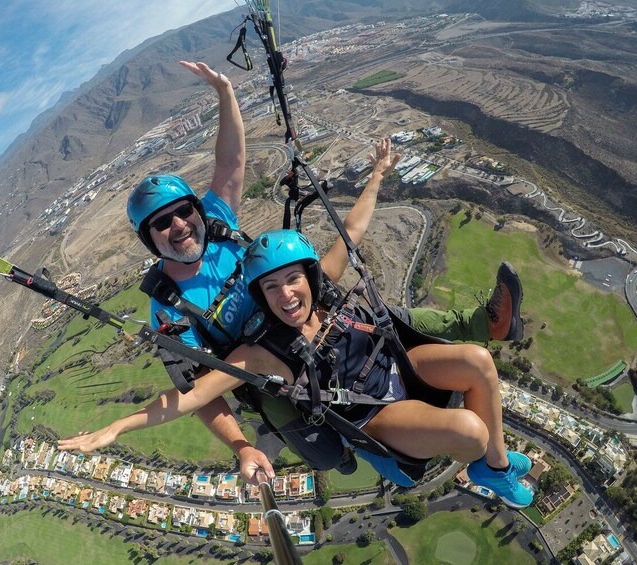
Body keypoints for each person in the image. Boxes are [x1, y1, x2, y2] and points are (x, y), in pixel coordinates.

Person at [122, 61, 523, 481]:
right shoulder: (170, 306)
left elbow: (231, 165)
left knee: (389, 321)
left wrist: (225, 94)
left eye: (184, 212)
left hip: (310, 317)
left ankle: (486, 326)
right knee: (313, 432)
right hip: (269, 362)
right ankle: (354, 448)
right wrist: (240, 446)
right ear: (150, 238)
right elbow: (199, 391)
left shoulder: (218, 228)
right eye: (162, 223)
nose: (180, 225)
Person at [60, 218, 534, 509]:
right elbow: (190, 396)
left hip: (395, 369)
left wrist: (377, 174)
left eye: (293, 280)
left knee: (477, 360)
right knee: (471, 432)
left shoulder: (323, 295)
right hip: (373, 413)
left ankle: (495, 467)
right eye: (272, 288)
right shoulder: (260, 352)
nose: (286, 294)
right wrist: (118, 427)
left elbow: (349, 233)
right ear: (260, 297)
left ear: (309, 278)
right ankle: (489, 464)